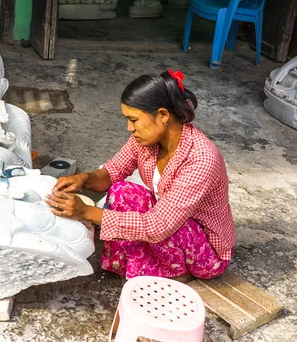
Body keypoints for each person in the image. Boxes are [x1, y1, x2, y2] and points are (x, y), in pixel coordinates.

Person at [45, 70, 236, 280]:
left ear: (162, 115)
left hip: (203, 250)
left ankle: (178, 272)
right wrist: (84, 178)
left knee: (154, 226)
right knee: (121, 192)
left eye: (133, 120)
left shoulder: (201, 159)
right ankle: (135, 264)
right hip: (169, 221)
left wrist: (86, 212)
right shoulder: (145, 141)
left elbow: (159, 225)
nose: (129, 128)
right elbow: (112, 173)